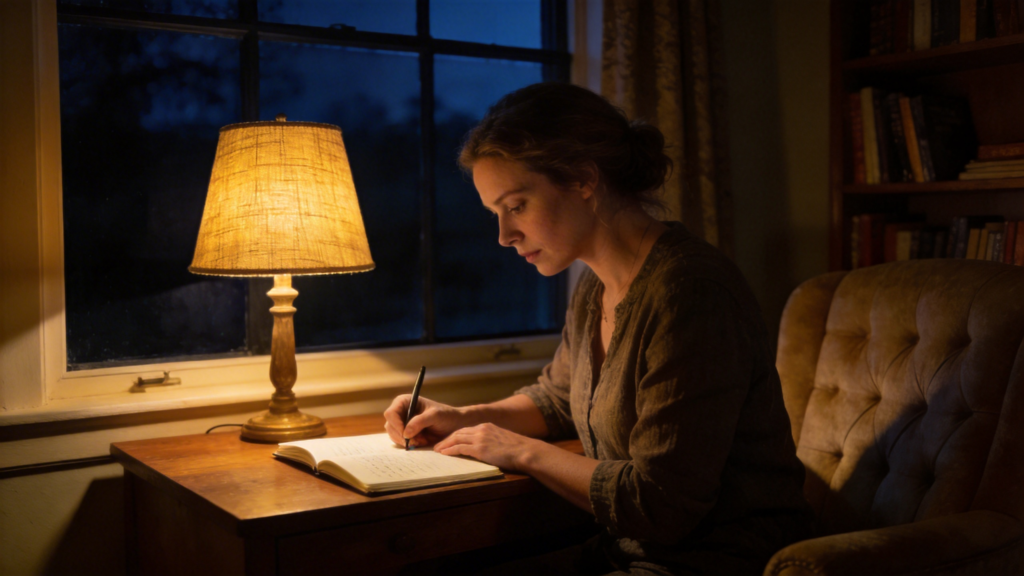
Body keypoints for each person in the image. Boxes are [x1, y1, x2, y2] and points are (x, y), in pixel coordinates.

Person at [383, 82, 812, 575]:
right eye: (495, 214)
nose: (504, 236)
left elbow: (661, 504)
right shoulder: (594, 286)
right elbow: (561, 397)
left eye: (517, 205)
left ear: (584, 179)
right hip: (621, 551)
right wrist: (460, 416)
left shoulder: (690, 292)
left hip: (715, 560)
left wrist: (520, 451)